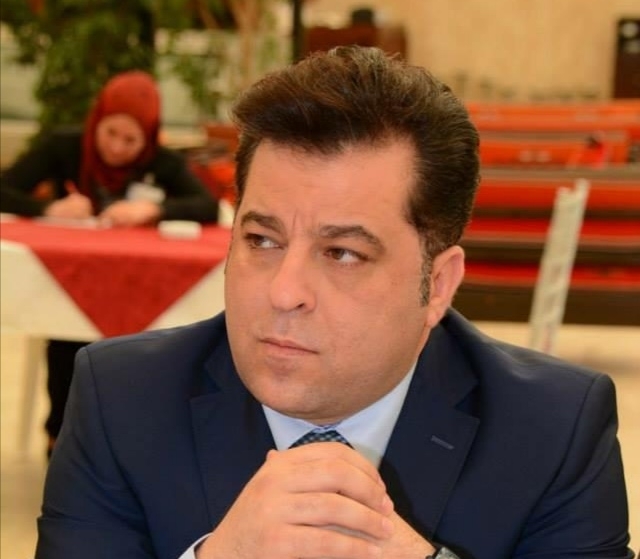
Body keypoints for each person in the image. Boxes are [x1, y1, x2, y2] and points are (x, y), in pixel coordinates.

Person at [34, 47, 633, 559]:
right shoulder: (122, 401)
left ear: (438, 285)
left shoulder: (553, 430)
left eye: (343, 253)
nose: (284, 292)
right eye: (262, 240)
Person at [0, 70, 219, 457]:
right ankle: (61, 436)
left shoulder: (162, 163)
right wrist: (48, 207)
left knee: (156, 341)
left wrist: (154, 209)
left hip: (141, 284)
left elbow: (207, 205)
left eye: (130, 140)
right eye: (110, 133)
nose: (117, 147)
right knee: (67, 330)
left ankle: (130, 441)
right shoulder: (64, 146)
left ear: (148, 137)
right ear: (96, 121)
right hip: (71, 279)